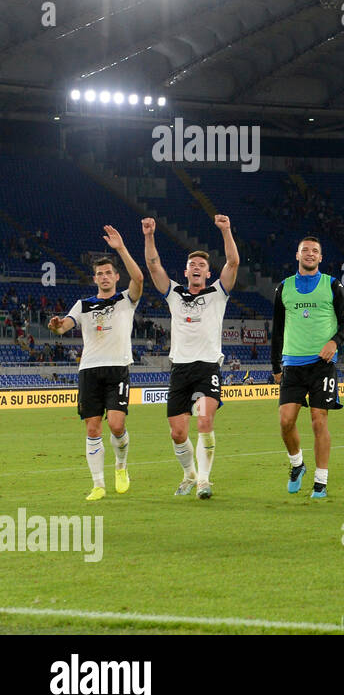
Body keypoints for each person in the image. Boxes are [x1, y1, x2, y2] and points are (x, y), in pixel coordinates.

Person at [142, 213, 239, 500]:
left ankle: (204, 481)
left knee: (204, 421)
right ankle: (189, 474)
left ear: (208, 273)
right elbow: (153, 265)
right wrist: (149, 236)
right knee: (177, 433)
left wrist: (226, 231)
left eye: (202, 265)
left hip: (207, 365)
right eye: (192, 265)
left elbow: (232, 262)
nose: (197, 268)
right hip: (180, 368)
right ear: (185, 272)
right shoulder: (174, 293)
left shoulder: (218, 293)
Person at [46, 226, 144, 500]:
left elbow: (139, 277)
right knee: (92, 427)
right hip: (89, 370)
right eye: (99, 273)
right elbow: (63, 327)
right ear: (94, 278)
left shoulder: (126, 300)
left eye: (108, 273)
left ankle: (121, 467)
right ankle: (98, 484)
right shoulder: (83, 304)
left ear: (115, 276)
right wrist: (55, 325)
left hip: (117, 368)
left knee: (116, 425)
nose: (103, 277)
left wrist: (121, 248)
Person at [271, 236, 344, 499]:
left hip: (322, 365)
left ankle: (321, 481)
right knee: (285, 421)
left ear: (321, 257)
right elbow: (277, 331)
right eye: (305, 250)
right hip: (292, 365)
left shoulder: (332, 284)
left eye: (314, 251)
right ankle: (297, 465)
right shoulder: (284, 287)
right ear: (297, 255)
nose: (309, 254)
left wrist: (334, 342)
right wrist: (276, 365)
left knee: (319, 421)